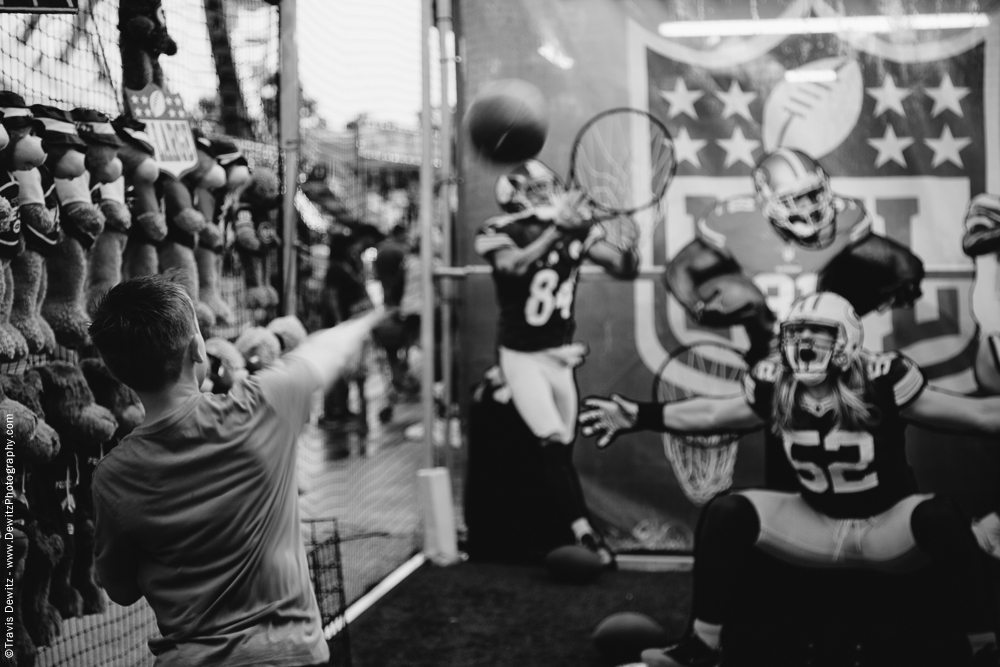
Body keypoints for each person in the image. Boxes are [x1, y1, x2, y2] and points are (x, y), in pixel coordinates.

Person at [579, 292, 1000, 666]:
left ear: (847, 341)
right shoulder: (775, 382)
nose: (804, 345)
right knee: (728, 512)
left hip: (884, 525)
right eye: (797, 334)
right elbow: (713, 414)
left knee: (940, 516)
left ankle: (983, 647)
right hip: (814, 523)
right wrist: (638, 415)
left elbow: (976, 416)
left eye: (819, 335)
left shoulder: (882, 380)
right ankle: (702, 644)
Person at [88, 275, 382, 667]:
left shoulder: (112, 476)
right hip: (289, 655)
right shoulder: (259, 408)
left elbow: (120, 590)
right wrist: (369, 319)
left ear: (116, 371)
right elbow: (324, 351)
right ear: (198, 349)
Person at [665, 147, 924, 490]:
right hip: (774, 357)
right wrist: (698, 306)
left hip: (834, 356)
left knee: (861, 437)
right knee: (788, 454)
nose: (810, 207)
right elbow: (681, 268)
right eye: (795, 199)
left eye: (813, 194)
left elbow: (901, 264)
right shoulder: (736, 222)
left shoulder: (845, 218)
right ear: (767, 202)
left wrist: (897, 284)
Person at [474, 159, 640, 567]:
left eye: (548, 186)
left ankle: (555, 531)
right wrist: (558, 230)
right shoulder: (497, 230)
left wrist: (629, 238)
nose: (546, 195)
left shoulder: (575, 231)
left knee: (560, 451)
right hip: (521, 355)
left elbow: (623, 269)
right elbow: (513, 265)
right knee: (550, 440)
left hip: (559, 356)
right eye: (533, 190)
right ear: (512, 199)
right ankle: (584, 532)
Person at [319, 230, 372, 433]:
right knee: (336, 372)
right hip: (338, 327)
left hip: (343, 326)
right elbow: (331, 297)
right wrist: (340, 321)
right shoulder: (336, 269)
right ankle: (333, 413)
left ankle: (341, 409)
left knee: (343, 371)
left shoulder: (344, 267)